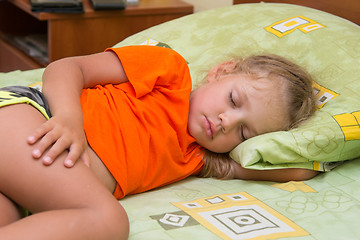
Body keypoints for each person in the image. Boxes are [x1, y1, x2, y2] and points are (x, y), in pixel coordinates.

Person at [0, 45, 318, 239]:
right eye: (234, 100)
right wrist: (70, 118)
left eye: (244, 133)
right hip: (33, 120)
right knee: (108, 221)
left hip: (24, 182)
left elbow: (290, 168)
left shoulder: (195, 159)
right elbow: (68, 67)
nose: (227, 123)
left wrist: (327, 155)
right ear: (222, 71)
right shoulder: (170, 72)